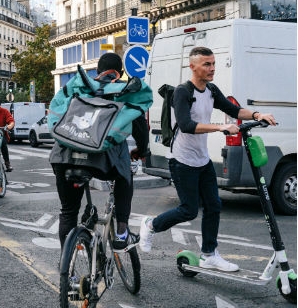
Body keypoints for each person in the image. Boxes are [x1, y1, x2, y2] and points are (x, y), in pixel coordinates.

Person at [139, 47, 277, 272]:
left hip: (202, 160)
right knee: (188, 210)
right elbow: (186, 125)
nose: (212, 68)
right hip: (182, 160)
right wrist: (220, 127)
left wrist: (257, 115)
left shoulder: (211, 90)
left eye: (213, 64)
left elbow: (233, 109)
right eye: (206, 64)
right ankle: (151, 224)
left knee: (214, 205)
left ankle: (209, 254)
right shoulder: (182, 92)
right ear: (192, 66)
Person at [51, 53, 149, 250]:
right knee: (125, 175)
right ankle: (122, 232)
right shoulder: (122, 90)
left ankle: (67, 267)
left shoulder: (78, 87)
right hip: (102, 162)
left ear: (96, 72)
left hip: (63, 157)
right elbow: (139, 127)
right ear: (120, 73)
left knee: (68, 212)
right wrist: (142, 150)